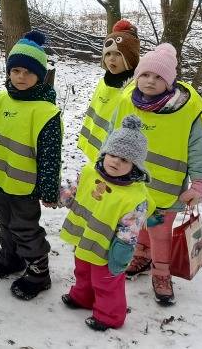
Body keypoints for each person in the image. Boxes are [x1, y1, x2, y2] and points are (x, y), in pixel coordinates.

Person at [112, 43, 202, 305]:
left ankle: (162, 273)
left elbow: (197, 150)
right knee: (140, 222)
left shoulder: (186, 111)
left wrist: (199, 184)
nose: (150, 81)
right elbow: (112, 137)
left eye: (158, 77)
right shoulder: (126, 101)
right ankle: (142, 254)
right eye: (144, 74)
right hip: (132, 183)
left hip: (167, 188)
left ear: (170, 81)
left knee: (159, 231)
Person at [0, 31, 62, 300]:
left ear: (40, 74)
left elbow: (50, 155)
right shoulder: (2, 99)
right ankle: (10, 257)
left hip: (25, 184)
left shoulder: (45, 112)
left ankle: (39, 270)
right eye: (15, 70)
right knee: (5, 221)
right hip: (2, 177)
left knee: (25, 226)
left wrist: (48, 189)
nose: (21, 77)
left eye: (28, 71)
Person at [60, 115, 154, 331]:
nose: (115, 162)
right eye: (112, 154)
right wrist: (58, 193)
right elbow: (74, 193)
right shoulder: (89, 173)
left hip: (109, 248)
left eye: (124, 160)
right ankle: (83, 298)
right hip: (85, 240)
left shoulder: (133, 196)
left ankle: (110, 316)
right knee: (82, 270)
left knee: (106, 281)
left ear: (135, 166)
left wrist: (121, 253)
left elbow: (130, 229)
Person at [77, 20, 140, 162]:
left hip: (114, 159)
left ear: (130, 57)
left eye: (118, 54)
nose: (111, 58)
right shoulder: (104, 82)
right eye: (108, 54)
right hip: (94, 152)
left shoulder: (134, 90)